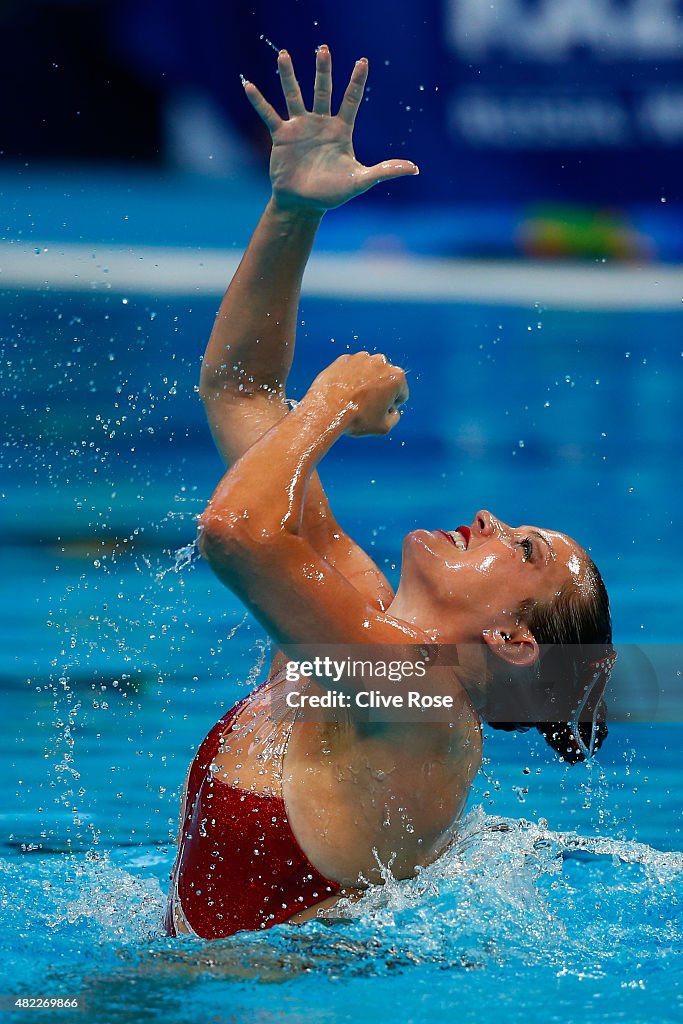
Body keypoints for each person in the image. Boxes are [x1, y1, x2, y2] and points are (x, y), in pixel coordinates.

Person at [164, 46, 615, 940]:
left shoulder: (420, 708)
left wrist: (329, 403)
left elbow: (233, 531)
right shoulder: (351, 616)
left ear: (513, 640)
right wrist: (292, 212)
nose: (489, 516)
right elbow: (241, 391)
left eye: (520, 546)